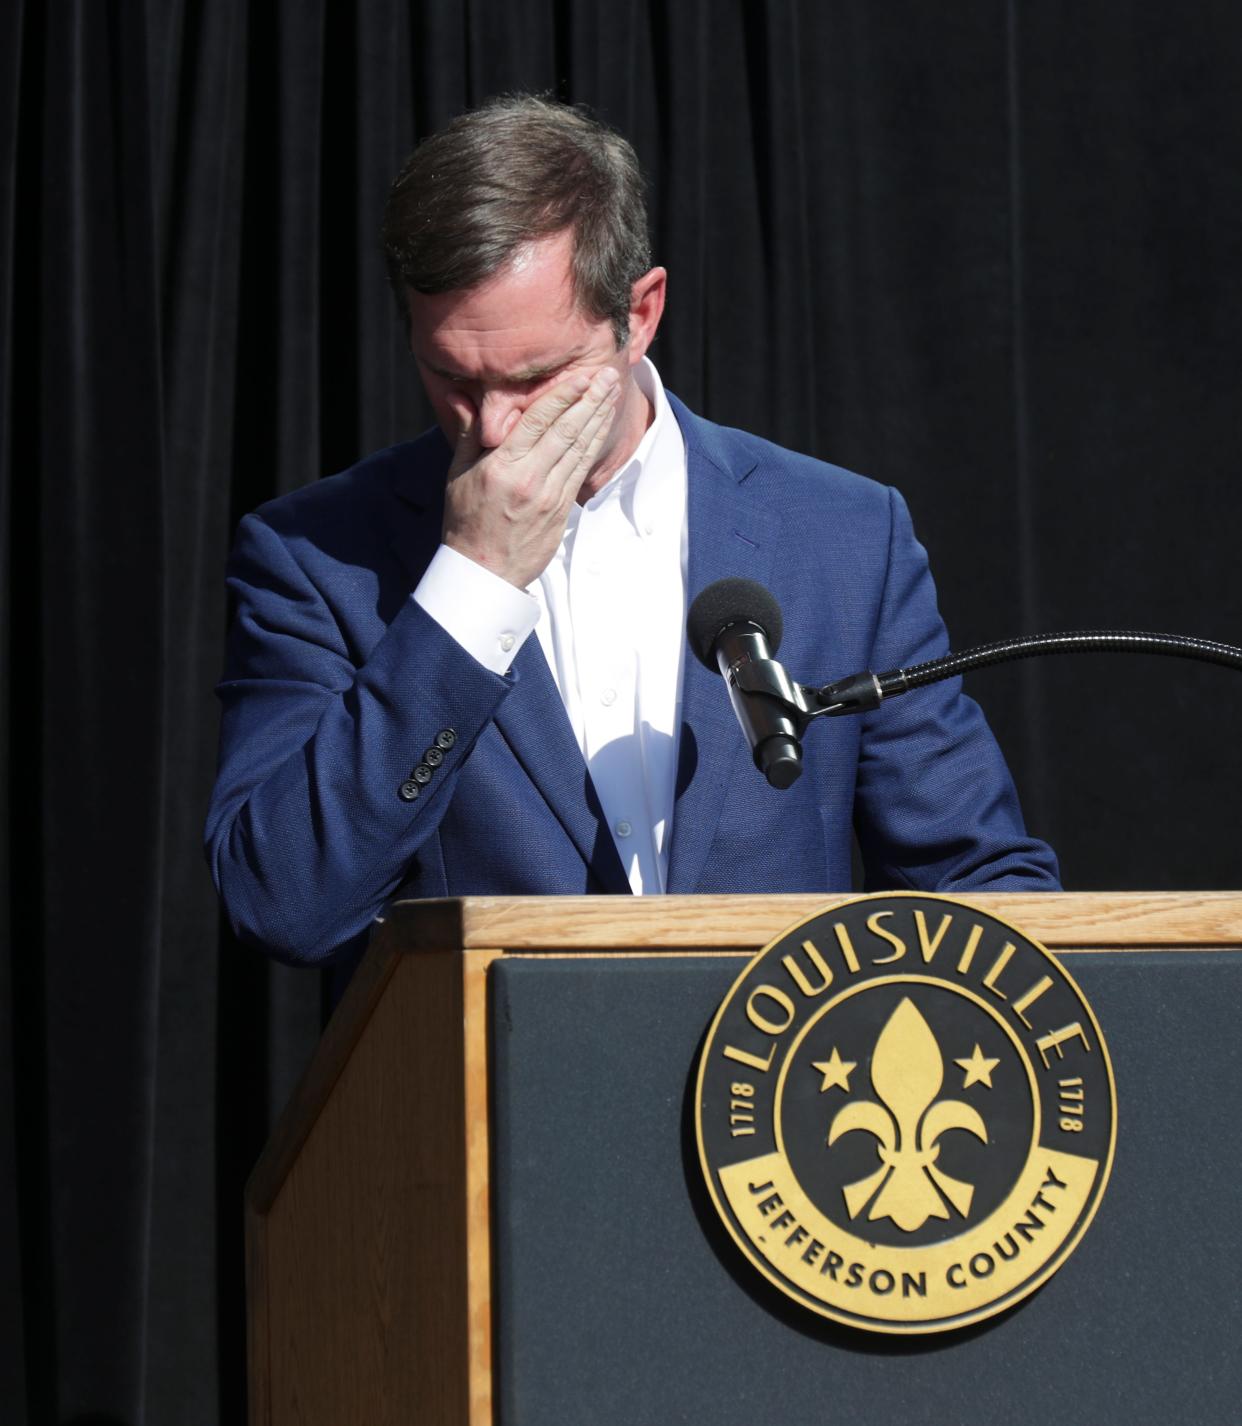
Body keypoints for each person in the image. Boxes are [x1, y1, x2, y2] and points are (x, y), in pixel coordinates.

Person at [205, 95, 1058, 980]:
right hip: (482, 1110)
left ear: (640, 313)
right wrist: (469, 587)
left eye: (536, 377)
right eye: (451, 376)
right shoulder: (314, 556)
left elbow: (979, 879)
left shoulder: (841, 535)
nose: (494, 428)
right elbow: (280, 904)